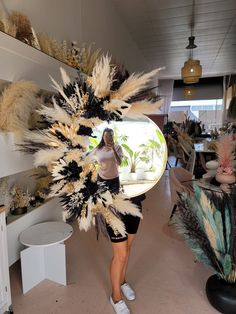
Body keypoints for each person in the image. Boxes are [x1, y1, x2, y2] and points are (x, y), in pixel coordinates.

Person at [91, 127, 141, 314]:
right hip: (110, 201)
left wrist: (114, 149)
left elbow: (121, 162)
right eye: (106, 135)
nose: (108, 137)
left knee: (128, 248)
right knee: (120, 253)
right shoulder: (97, 150)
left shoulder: (117, 147)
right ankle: (116, 296)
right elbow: (87, 164)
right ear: (102, 136)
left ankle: (122, 280)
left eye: (110, 135)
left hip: (132, 198)